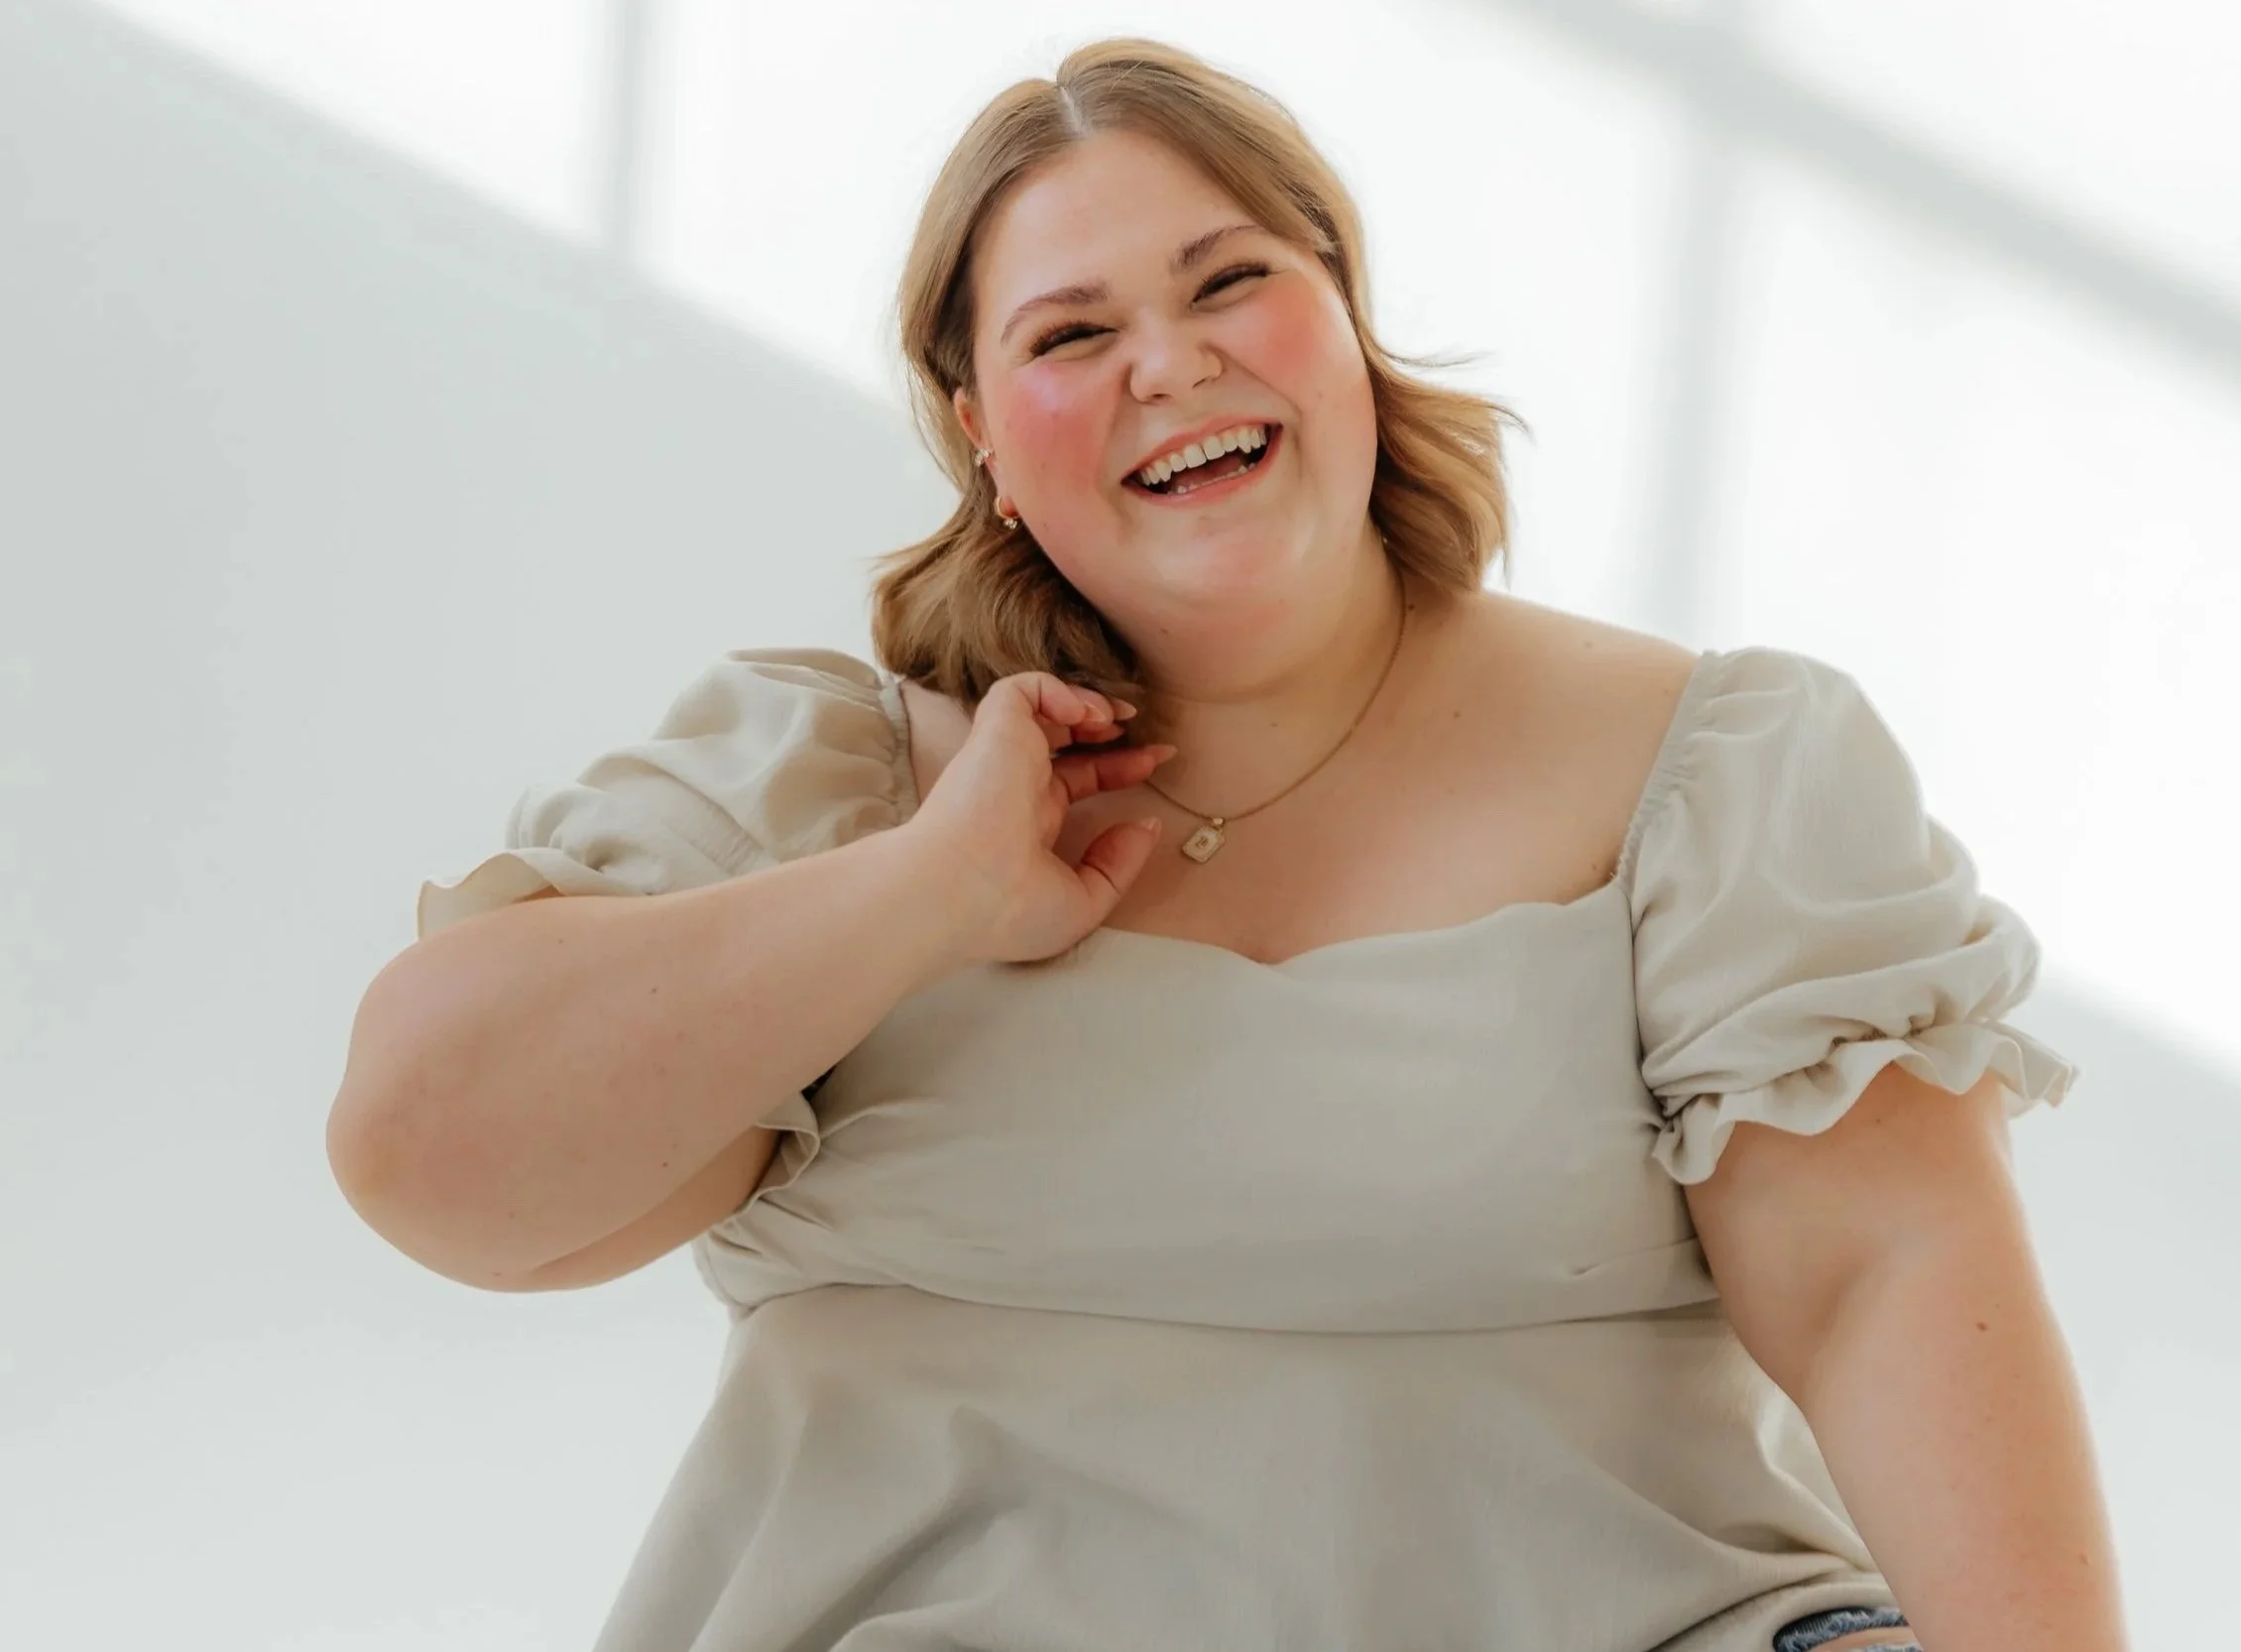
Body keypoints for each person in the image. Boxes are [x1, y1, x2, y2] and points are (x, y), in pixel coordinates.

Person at [327, 36, 2127, 1652]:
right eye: (1071, 333)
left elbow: (1881, 1279)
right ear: (981, 436)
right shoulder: (824, 786)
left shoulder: (1708, 772)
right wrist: (928, 890)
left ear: (1343, 314)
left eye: (1231, 281)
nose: (1170, 363)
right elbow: (432, 1160)